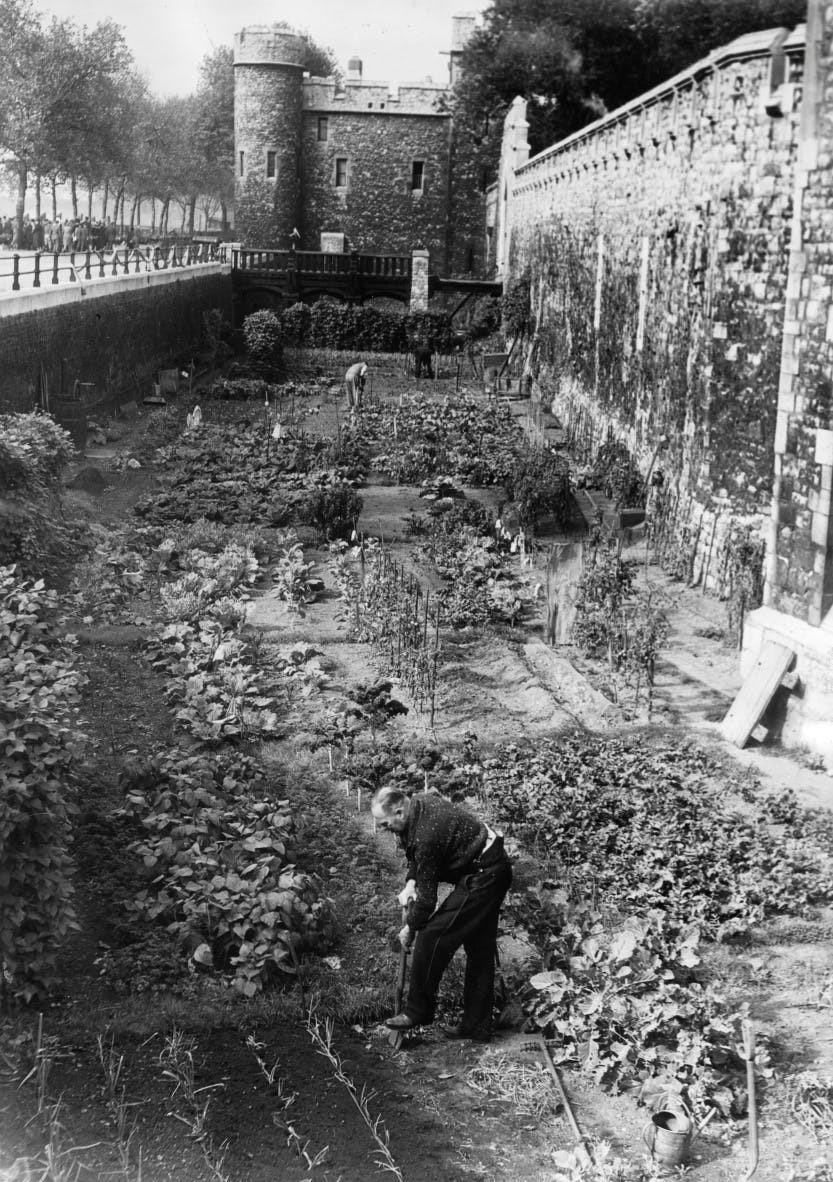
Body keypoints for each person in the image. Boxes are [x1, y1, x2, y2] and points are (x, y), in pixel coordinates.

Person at [372, 785, 512, 1043]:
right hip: (490, 867)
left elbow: (426, 903)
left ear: (400, 812)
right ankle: (477, 1027)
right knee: (479, 949)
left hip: (484, 876)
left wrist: (410, 928)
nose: (382, 829)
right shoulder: (419, 805)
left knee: (431, 936)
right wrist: (411, 881)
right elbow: (416, 855)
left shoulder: (427, 834)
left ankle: (417, 1012)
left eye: (384, 823)